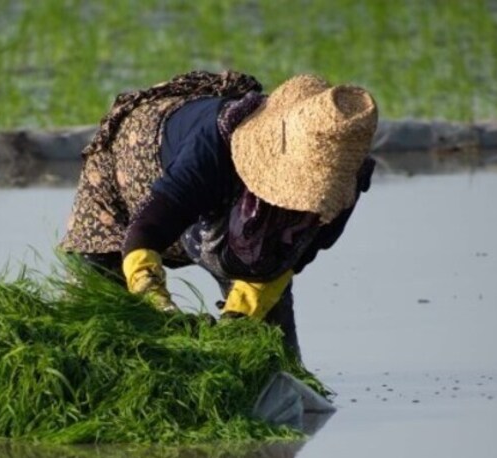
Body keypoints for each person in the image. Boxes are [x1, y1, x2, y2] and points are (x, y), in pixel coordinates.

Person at [59, 70, 378, 359]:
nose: (301, 204)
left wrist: (241, 313)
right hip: (134, 167)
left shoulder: (339, 191)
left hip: (224, 212)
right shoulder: (212, 148)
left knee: (271, 354)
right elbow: (145, 231)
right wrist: (159, 306)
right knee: (94, 325)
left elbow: (294, 257)